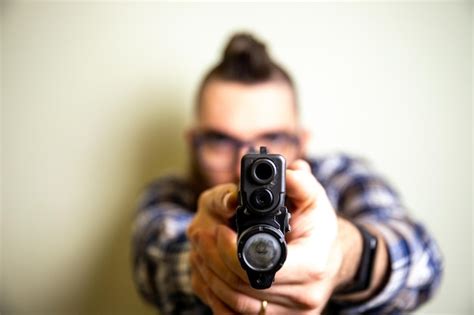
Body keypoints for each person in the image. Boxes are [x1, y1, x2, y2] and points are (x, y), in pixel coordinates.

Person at [132, 33, 443, 314]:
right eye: (220, 139)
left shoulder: (341, 175)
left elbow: (424, 259)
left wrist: (344, 257)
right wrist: (206, 259)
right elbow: (153, 257)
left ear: (303, 142)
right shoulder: (171, 192)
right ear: (193, 143)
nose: (247, 160)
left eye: (272, 138)